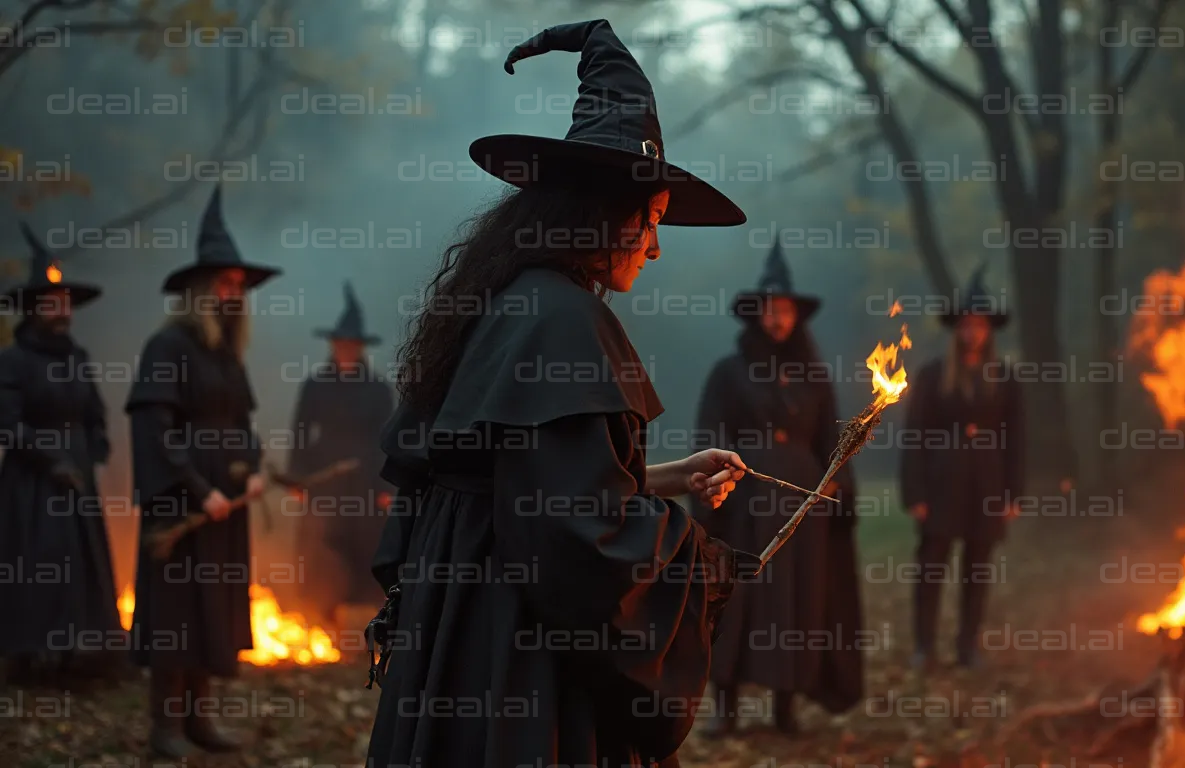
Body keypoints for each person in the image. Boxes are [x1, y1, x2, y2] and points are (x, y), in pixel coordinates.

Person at [364, 19, 761, 768]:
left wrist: (659, 480)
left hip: (464, 627)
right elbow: (583, 544)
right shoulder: (562, 320)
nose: (655, 244)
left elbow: (516, 477)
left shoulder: (508, 299)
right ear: (605, 214)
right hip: (521, 648)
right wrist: (701, 561)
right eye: (652, 220)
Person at [124, 184, 276, 757]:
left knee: (211, 608)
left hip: (223, 504)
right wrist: (197, 489)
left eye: (240, 285)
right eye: (225, 284)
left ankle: (198, 720)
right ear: (198, 290)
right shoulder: (166, 347)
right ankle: (164, 727)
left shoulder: (226, 356)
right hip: (181, 502)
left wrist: (254, 469)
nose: (234, 294)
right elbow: (153, 428)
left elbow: (243, 423)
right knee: (173, 611)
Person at [692, 238, 863, 736]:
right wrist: (716, 488)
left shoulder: (813, 373)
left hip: (803, 505)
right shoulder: (729, 372)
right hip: (744, 501)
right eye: (769, 308)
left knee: (799, 601)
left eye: (786, 309)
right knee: (739, 597)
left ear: (796, 317)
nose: (778, 318)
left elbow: (835, 439)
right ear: (755, 314)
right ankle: (727, 708)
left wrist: (839, 483)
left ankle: (785, 707)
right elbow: (712, 432)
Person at [0, 224, 118, 686]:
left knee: (80, 565)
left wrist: (96, 443)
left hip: (79, 475)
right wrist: (52, 462)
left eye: (66, 303)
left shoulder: (77, 356)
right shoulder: (13, 360)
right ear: (33, 309)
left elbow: (92, 409)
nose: (62, 310)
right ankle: (27, 656)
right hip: (32, 483)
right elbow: (9, 423)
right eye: (53, 303)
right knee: (37, 565)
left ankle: (78, 654)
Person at [899, 264, 1024, 670]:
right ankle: (924, 646)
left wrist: (1013, 493)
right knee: (931, 567)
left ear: (989, 331)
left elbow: (1016, 438)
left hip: (987, 483)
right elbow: (914, 435)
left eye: (980, 325)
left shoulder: (1004, 378)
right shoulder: (933, 375)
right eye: (967, 325)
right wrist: (915, 492)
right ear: (957, 329)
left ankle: (967, 646)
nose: (972, 332)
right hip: (941, 482)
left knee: (977, 569)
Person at [287, 281, 395, 625]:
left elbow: (389, 439)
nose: (346, 349)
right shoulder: (315, 385)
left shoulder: (378, 389)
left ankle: (363, 625)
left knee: (364, 549)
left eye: (352, 344)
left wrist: (387, 487)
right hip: (324, 481)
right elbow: (300, 433)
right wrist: (298, 479)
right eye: (341, 343)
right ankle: (318, 619)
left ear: (361, 347)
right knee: (321, 547)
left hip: (365, 481)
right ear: (333, 345)